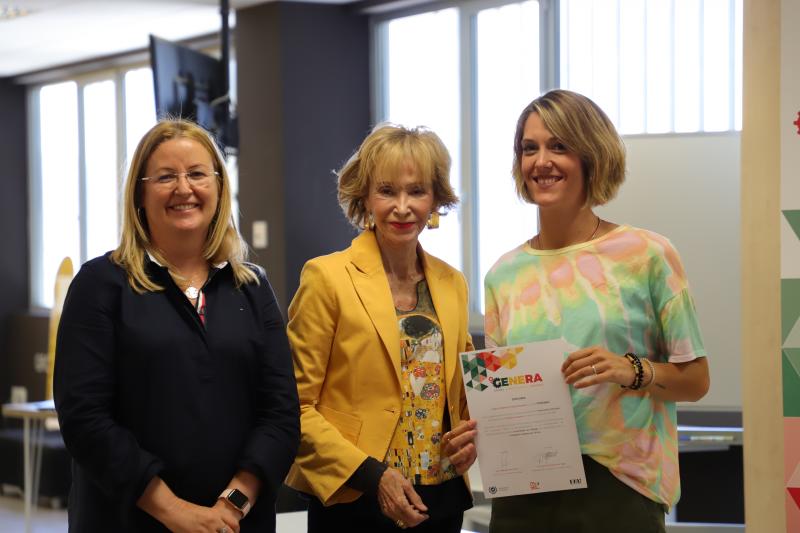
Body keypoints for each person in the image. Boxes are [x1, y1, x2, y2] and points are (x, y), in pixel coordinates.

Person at [54, 118, 300, 533]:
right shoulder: (100, 285)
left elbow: (281, 413)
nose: (184, 188)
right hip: (128, 521)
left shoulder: (252, 287)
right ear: (140, 195)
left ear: (219, 188)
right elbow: (85, 418)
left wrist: (233, 504)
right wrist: (174, 511)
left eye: (198, 174)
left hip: (235, 524)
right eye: (166, 176)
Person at [483, 90, 710, 532]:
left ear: (593, 155)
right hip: (524, 489)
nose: (541, 161)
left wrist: (632, 370)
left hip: (621, 488)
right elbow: (501, 394)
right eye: (530, 148)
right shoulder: (503, 275)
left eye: (559, 146)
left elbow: (697, 380)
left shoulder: (647, 255)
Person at [285, 124, 478, 532]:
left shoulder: (453, 283)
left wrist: (469, 436)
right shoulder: (327, 277)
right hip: (356, 500)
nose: (402, 207)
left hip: (440, 503)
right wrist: (374, 476)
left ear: (436, 199)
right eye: (387, 191)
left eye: (417, 191)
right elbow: (295, 409)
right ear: (365, 198)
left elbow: (458, 398)